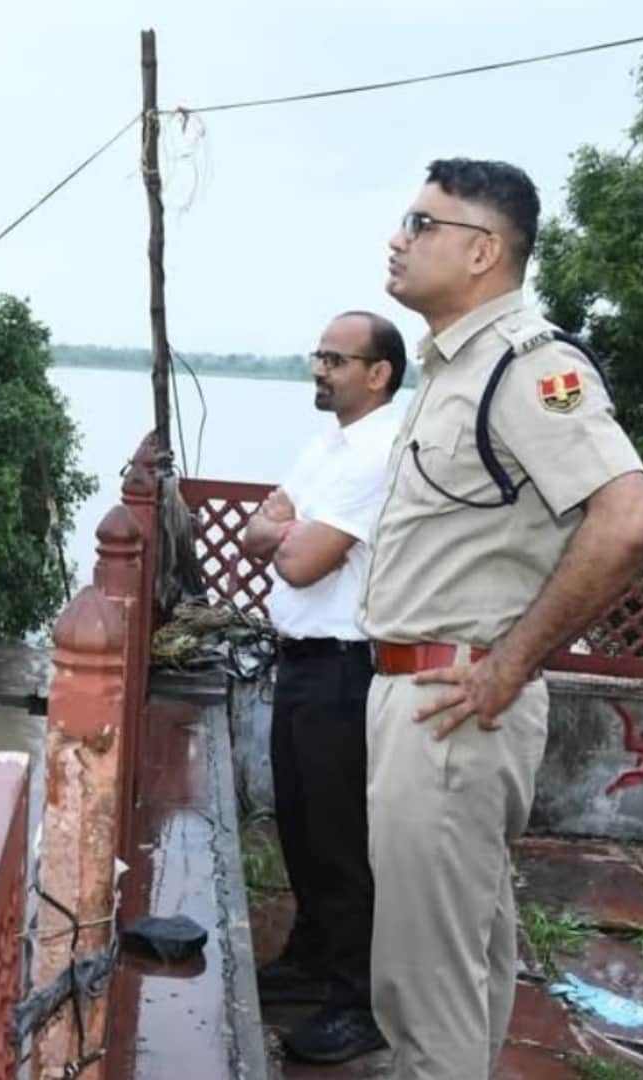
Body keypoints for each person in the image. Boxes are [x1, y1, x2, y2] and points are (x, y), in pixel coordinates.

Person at [360, 158, 643, 1079]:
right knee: (465, 962)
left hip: (452, 702)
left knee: (425, 985)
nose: (398, 239)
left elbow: (628, 519)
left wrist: (509, 665)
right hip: (427, 695)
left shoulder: (532, 368)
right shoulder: (454, 369)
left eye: (420, 223)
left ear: (483, 250)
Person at [242, 311, 404, 1063]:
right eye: (317, 356)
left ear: (380, 373)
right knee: (300, 822)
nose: (320, 369)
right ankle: (312, 956)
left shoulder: (380, 451)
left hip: (347, 664)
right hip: (301, 657)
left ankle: (359, 997)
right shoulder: (329, 444)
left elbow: (302, 561)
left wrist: (290, 531)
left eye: (337, 360)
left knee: (341, 837)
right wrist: (287, 528)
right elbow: (259, 532)